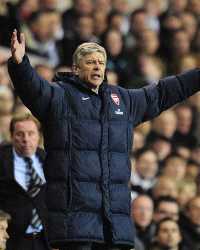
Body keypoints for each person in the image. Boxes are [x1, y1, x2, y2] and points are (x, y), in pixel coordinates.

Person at [7, 29, 200, 250]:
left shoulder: (123, 101)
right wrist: (20, 63)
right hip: (75, 223)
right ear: (76, 68)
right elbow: (33, 89)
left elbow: (163, 92)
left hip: (114, 225)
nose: (98, 66)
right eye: (90, 62)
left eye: (101, 62)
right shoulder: (59, 97)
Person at [0, 114, 49, 250]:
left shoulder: (48, 159)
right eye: (20, 134)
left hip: (44, 240)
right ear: (11, 136)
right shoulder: (2, 160)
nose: (26, 139)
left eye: (31, 133)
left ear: (38, 136)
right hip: (12, 240)